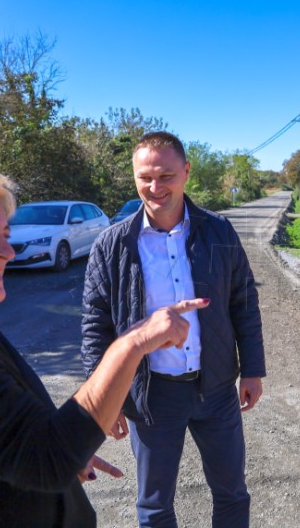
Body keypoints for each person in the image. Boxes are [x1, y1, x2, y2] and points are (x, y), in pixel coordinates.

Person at [0, 160, 208, 527]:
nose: (8, 251)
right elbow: (47, 458)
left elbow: (2, 443)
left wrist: (64, 443)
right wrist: (133, 342)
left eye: (5, 233)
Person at [81, 131, 266, 527]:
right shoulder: (112, 245)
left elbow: (243, 302)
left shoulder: (219, 232)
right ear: (133, 176)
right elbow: (96, 325)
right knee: (154, 506)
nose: (155, 187)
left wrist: (252, 368)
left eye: (166, 175)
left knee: (232, 494)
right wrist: (105, 397)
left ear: (185, 172)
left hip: (215, 389)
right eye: (145, 177)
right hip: (152, 396)